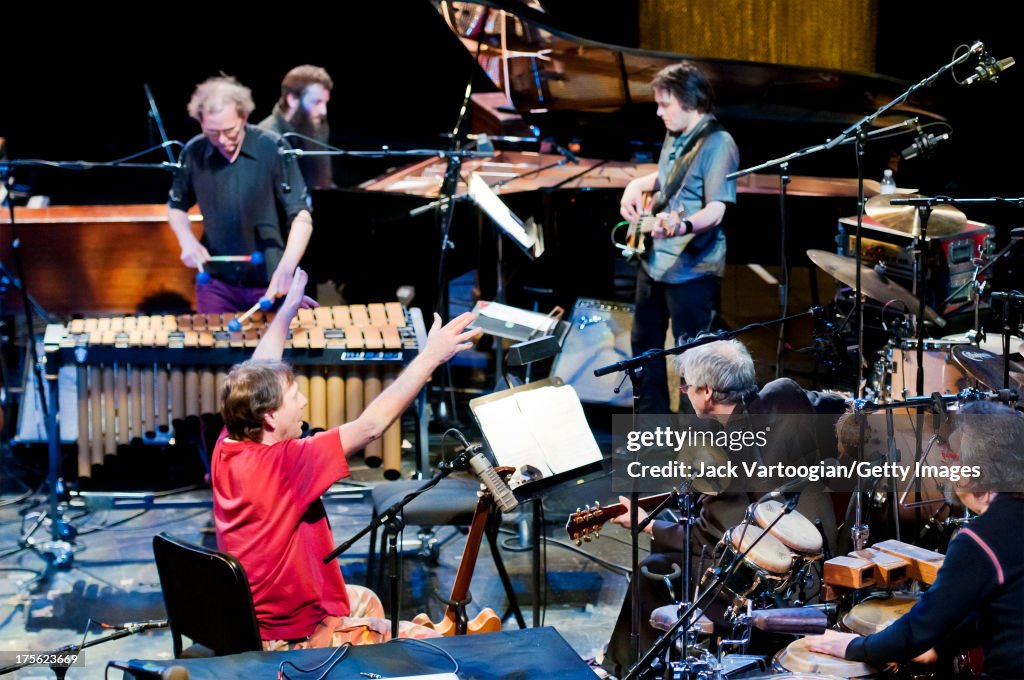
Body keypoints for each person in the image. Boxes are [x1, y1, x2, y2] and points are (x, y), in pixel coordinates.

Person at [212, 266, 482, 649]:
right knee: (434, 645)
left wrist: (287, 311)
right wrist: (430, 358)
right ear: (270, 415)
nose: (303, 401)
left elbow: (258, 368)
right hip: (292, 635)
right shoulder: (288, 463)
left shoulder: (228, 444)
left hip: (253, 616)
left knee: (366, 600)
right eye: (294, 397)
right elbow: (371, 426)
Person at [601, 339, 842, 677]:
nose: (685, 392)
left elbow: (706, 539)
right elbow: (829, 403)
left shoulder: (722, 457)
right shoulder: (786, 394)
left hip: (781, 581)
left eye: (687, 387)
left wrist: (648, 526)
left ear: (709, 394)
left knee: (651, 569)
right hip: (824, 541)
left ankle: (622, 668)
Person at [806, 401, 1024, 680]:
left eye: (951, 456)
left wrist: (852, 646)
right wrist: (942, 646)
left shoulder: (980, 540)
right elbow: (996, 611)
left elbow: (917, 630)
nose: (945, 464)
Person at [619, 62, 740, 415]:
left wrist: (682, 227)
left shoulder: (719, 143)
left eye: (664, 104)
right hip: (655, 261)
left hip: (692, 269)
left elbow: (717, 209)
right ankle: (651, 435)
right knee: (645, 350)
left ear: (690, 102)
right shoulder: (676, 133)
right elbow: (667, 177)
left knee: (692, 361)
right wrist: (636, 183)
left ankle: (694, 446)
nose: (658, 112)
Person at [168, 76, 312, 314]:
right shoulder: (194, 152)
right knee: (217, 350)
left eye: (230, 131)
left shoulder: (272, 147)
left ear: (244, 117)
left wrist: (287, 268)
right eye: (212, 133)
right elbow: (176, 205)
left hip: (271, 282)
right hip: (216, 286)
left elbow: (301, 216)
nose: (223, 140)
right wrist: (186, 241)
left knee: (276, 351)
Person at [258, 65, 335, 190]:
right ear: (292, 99)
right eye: (316, 102)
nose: (323, 111)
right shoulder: (265, 136)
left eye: (325, 103)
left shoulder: (318, 126)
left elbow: (323, 183)